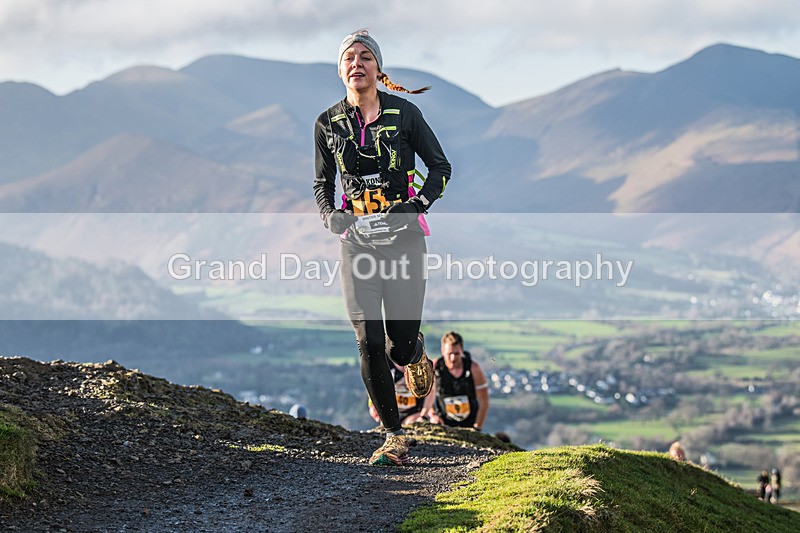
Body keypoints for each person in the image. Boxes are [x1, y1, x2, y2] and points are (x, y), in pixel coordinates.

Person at [313, 29, 451, 466]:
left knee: (397, 342)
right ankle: (393, 435)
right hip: (357, 246)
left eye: (365, 57)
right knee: (368, 340)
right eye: (349, 58)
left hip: (405, 242)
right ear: (340, 71)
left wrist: (417, 204)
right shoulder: (326, 123)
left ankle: (413, 352)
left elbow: (441, 168)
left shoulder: (405, 114)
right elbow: (321, 184)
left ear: (378, 68)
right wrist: (329, 215)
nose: (357, 63)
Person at [426, 332, 489, 431]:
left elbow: (484, 400)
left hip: (469, 425)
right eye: (449, 354)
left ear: (462, 351)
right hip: (443, 424)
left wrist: (477, 427)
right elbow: (427, 395)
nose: (453, 358)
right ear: (442, 351)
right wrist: (433, 415)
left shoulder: (474, 368)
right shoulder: (434, 367)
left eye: (456, 353)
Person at [368, 359, 433, 428]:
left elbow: (431, 391)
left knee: (411, 426)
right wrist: (372, 404)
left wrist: (423, 415)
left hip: (414, 412)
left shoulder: (420, 363)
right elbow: (374, 384)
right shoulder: (384, 362)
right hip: (391, 412)